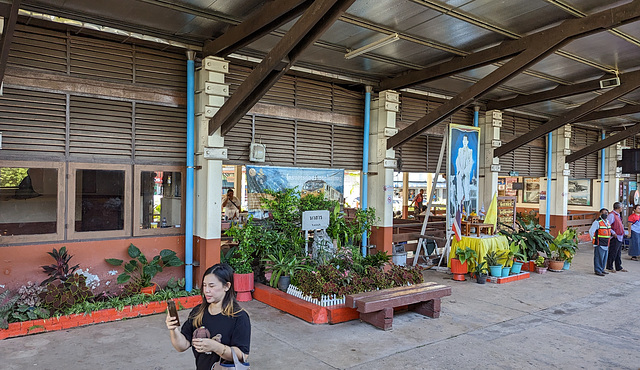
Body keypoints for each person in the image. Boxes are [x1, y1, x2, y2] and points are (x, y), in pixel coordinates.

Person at [166, 264, 251, 370]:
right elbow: (182, 346)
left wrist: (215, 347)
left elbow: (242, 355)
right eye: (204, 285)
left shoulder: (239, 317)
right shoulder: (198, 312)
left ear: (226, 286)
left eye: (211, 286)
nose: (206, 290)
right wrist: (173, 329)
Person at [589, 208, 611, 276]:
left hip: (606, 243)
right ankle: (598, 270)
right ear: (600, 214)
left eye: (606, 213)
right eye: (603, 213)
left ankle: (602, 269)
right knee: (599, 257)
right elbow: (591, 231)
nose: (605, 214)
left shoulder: (607, 222)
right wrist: (594, 240)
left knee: (604, 258)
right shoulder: (597, 222)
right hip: (599, 243)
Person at [606, 202, 628, 273]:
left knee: (618, 253)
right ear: (618, 208)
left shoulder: (617, 215)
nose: (622, 208)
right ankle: (609, 266)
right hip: (615, 236)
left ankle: (618, 266)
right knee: (613, 252)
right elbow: (608, 225)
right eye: (621, 207)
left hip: (620, 236)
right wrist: (613, 233)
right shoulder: (612, 215)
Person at [456, 134, 473, 213]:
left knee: (466, 191)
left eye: (466, 140)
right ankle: (459, 209)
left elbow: (470, 162)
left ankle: (467, 211)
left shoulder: (470, 151)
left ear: (468, 142)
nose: (465, 142)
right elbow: (457, 161)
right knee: (460, 191)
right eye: (464, 140)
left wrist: (465, 171)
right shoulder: (460, 150)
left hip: (466, 174)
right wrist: (460, 170)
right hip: (460, 173)